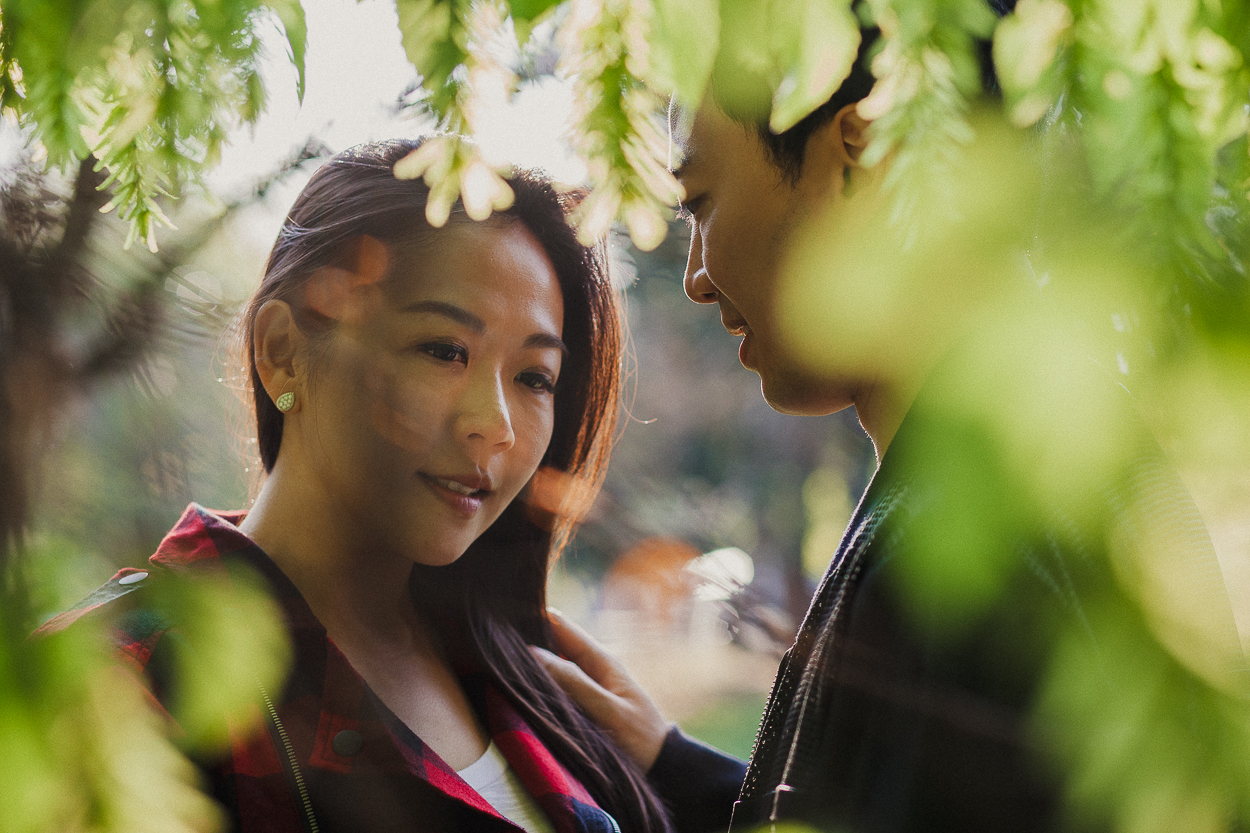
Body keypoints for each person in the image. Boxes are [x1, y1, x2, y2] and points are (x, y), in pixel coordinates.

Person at [540, 14, 1248, 833]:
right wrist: (670, 760)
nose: (695, 275)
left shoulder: (960, 560)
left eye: (699, 200)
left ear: (861, 155)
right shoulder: (1056, 467)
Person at [36, 138, 730, 833]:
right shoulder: (109, 686)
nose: (497, 426)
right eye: (443, 349)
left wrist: (671, 764)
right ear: (282, 353)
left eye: (534, 378)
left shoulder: (530, 672)